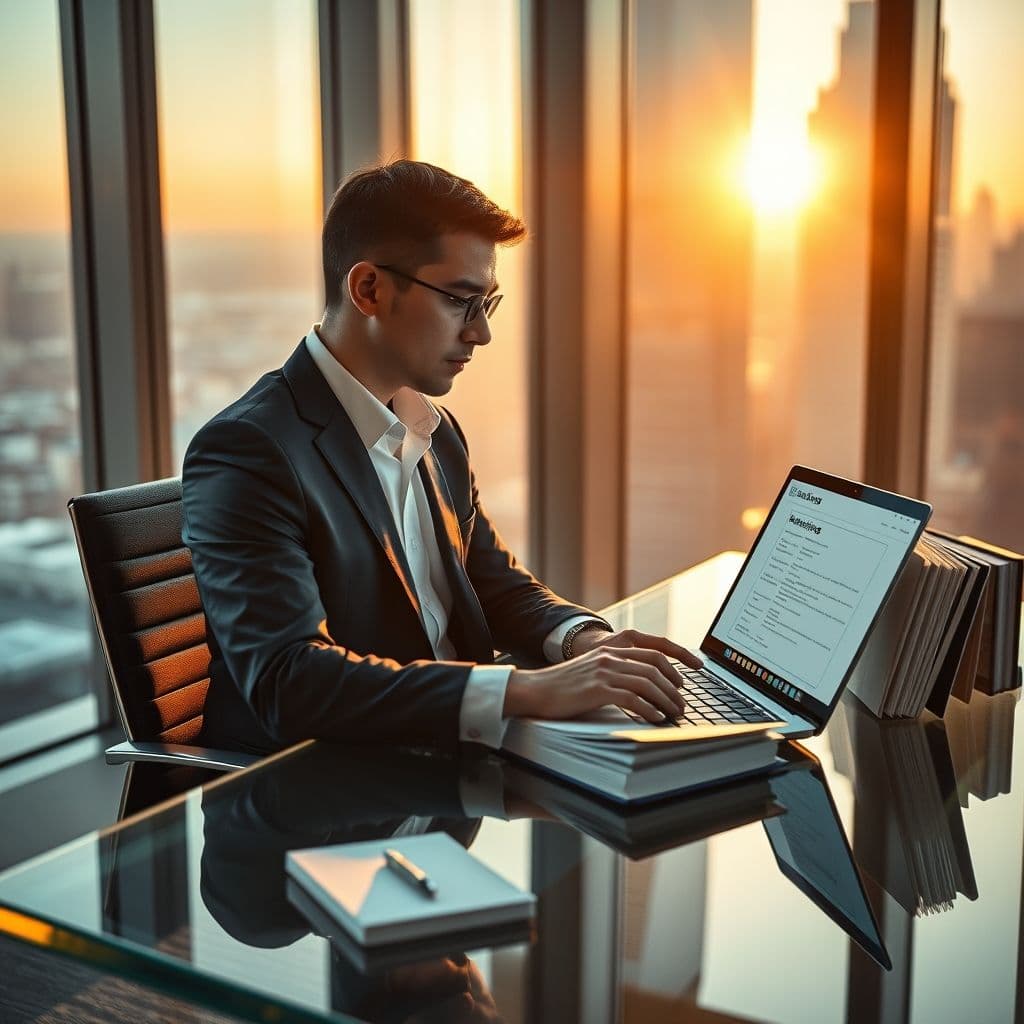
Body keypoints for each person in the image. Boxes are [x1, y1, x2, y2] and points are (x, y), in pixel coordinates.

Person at [182, 159, 700, 755]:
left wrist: (581, 641)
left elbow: (493, 583)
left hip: (452, 774)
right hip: (329, 809)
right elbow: (289, 681)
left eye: (488, 304)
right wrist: (526, 691)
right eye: (461, 301)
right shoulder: (249, 452)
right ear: (369, 289)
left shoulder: (435, 430)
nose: (480, 333)